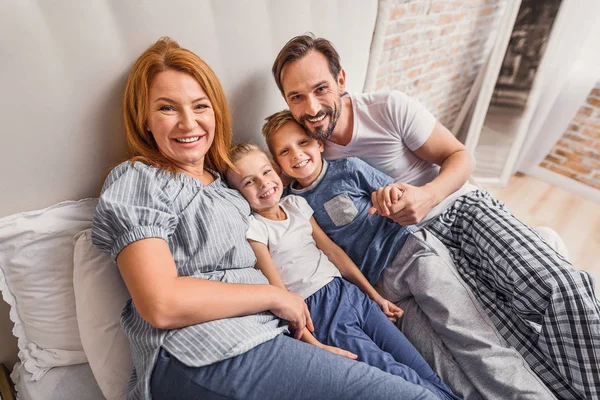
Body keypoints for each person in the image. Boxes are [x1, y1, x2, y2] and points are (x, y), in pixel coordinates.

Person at [90, 37, 442, 400]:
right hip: (201, 350)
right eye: (167, 108)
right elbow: (160, 303)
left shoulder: (227, 185)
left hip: (271, 332)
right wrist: (272, 296)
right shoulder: (138, 179)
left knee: (424, 384)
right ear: (144, 119)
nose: (188, 122)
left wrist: (306, 338)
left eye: (200, 106)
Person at [271, 33, 600, 400]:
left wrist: (426, 196)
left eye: (320, 89)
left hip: (455, 209)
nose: (312, 107)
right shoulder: (306, 153)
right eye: (296, 97)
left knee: (560, 286)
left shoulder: (387, 108)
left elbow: (460, 155)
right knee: (505, 336)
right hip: (400, 258)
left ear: (342, 80)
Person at [261, 110, 558, 400]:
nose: (297, 155)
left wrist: (391, 198)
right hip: (381, 288)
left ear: (319, 143)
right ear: (278, 164)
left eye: (302, 143)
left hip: (410, 255)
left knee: (472, 340)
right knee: (438, 362)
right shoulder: (291, 205)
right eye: (285, 151)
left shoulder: (349, 168)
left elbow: (402, 197)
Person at [225, 143, 459, 400]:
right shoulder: (256, 229)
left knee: (419, 367)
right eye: (249, 182)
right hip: (320, 311)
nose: (263, 183)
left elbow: (334, 253)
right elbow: (278, 293)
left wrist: (374, 297)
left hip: (350, 294)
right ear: (237, 193)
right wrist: (315, 346)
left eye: (266, 172)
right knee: (397, 375)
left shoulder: (296, 205)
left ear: (277, 172)